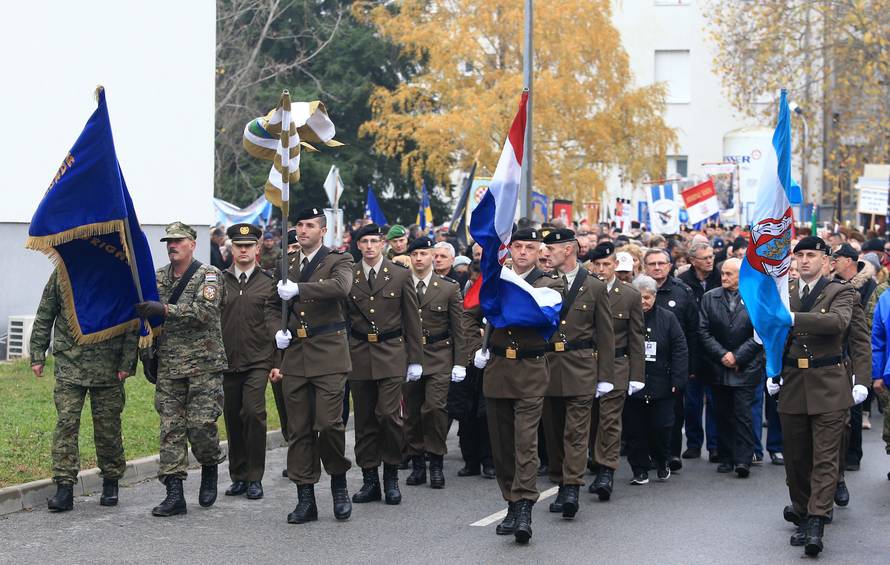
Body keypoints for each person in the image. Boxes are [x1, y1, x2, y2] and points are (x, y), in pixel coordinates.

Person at [771, 236, 869, 556]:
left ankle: (816, 519)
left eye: (811, 255)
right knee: (797, 458)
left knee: (826, 458)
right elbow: (774, 337)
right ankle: (801, 509)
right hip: (793, 382)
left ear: (827, 261)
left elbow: (844, 327)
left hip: (829, 382)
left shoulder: (841, 291)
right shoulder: (785, 293)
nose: (804, 260)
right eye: (799, 255)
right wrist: (772, 373)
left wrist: (862, 380)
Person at [468, 227, 563, 544]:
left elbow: (536, 315)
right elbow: (469, 316)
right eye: (517, 246)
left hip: (530, 370)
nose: (522, 252)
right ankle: (511, 502)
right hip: (497, 370)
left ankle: (524, 506)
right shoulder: (493, 279)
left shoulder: (549, 284)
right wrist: (474, 349)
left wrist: (502, 287)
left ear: (540, 252)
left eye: (530, 247)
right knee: (502, 445)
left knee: (525, 443)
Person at [135, 222, 228, 517]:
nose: (172, 246)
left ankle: (210, 465)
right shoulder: (159, 277)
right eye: (168, 242)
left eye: (178, 241)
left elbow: (204, 312)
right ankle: (174, 494)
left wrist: (163, 309)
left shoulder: (209, 275)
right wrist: (147, 354)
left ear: (192, 244)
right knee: (170, 430)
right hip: (170, 366)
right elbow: (146, 320)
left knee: (201, 426)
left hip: (204, 365)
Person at [270, 207, 355, 524]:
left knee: (329, 423)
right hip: (296, 354)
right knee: (299, 428)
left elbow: (341, 288)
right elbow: (271, 304)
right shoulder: (286, 263)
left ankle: (338, 482)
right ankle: (305, 497)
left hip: (329, 353)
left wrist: (300, 289)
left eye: (309, 226)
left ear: (323, 230)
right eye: (299, 225)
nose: (302, 230)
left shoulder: (339, 260)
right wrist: (276, 332)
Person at [30, 270, 138, 512]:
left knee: (108, 428)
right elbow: (45, 313)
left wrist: (127, 362)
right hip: (70, 363)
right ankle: (64, 487)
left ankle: (111, 481)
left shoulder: (116, 272)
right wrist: (37, 354)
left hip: (108, 367)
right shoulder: (63, 272)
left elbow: (132, 320)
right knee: (66, 426)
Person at [346, 223, 424, 506]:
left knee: (389, 416)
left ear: (383, 245)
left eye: (374, 241)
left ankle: (390, 475)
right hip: (359, 352)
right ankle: (370, 479)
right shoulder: (350, 275)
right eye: (364, 241)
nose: (369, 246)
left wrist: (415, 359)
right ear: (358, 245)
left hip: (392, 352)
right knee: (365, 420)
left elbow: (412, 320)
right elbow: (343, 319)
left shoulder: (401, 275)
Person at [541, 230, 614, 518]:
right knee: (553, 430)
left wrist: (606, 376)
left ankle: (572, 487)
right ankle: (560, 482)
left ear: (569, 249)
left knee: (576, 432)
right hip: (547, 365)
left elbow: (606, 334)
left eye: (552, 248)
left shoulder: (594, 286)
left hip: (581, 365)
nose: (546, 253)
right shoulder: (544, 282)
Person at [404, 238, 467, 489]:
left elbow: (458, 329)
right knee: (412, 412)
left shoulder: (448, 287)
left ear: (433, 256)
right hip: (410, 356)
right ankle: (418, 462)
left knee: (435, 408)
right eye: (415, 253)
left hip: (439, 354)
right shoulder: (402, 283)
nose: (419, 258)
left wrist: (460, 362)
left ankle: (436, 461)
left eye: (424, 253)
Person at [219, 223, 275, 501]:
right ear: (231, 248)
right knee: (232, 417)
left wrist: (277, 360)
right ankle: (238, 475)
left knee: (253, 414)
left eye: (248, 246)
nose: (243, 250)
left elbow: (278, 322)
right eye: (238, 246)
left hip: (258, 359)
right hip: (227, 360)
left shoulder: (269, 282)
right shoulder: (218, 280)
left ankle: (255, 477)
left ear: (257, 248)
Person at [588, 242, 645, 501]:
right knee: (587, 421)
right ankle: (587, 463)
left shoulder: (630, 295)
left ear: (615, 266)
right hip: (587, 364)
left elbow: (636, 338)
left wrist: (637, 375)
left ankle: (606, 471)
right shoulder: (582, 291)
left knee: (610, 421)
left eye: (606, 264)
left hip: (618, 366)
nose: (601, 269)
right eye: (597, 265)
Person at [698, 258, 763, 478]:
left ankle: (743, 458)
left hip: (746, 366)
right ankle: (726, 456)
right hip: (718, 366)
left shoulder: (754, 297)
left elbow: (759, 333)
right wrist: (722, 355)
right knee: (722, 412)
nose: (723, 278)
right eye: (722, 273)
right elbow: (703, 331)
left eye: (729, 274)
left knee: (743, 414)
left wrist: (738, 357)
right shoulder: (710, 298)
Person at [623, 275, 688, 484]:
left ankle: (662, 461)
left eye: (648, 297)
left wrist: (678, 381)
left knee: (660, 427)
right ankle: (639, 469)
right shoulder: (625, 318)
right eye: (640, 297)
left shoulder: (667, 318)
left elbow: (679, 349)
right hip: (633, 383)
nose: (644, 302)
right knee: (635, 430)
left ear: (654, 297)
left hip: (662, 383)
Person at [642, 248, 699, 471]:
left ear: (670, 266)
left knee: (674, 412)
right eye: (652, 264)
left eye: (661, 263)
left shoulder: (683, 291)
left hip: (673, 362)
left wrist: (691, 366)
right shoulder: (636, 290)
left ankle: (672, 453)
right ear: (645, 267)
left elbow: (693, 330)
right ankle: (648, 454)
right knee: (643, 413)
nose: (657, 267)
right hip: (643, 363)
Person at [678, 243, 720, 463]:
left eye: (711, 256)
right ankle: (694, 443)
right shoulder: (684, 282)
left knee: (714, 401)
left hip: (716, 347)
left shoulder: (721, 277)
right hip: (693, 348)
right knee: (692, 401)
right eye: (704, 258)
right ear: (692, 261)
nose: (709, 261)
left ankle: (714, 446)